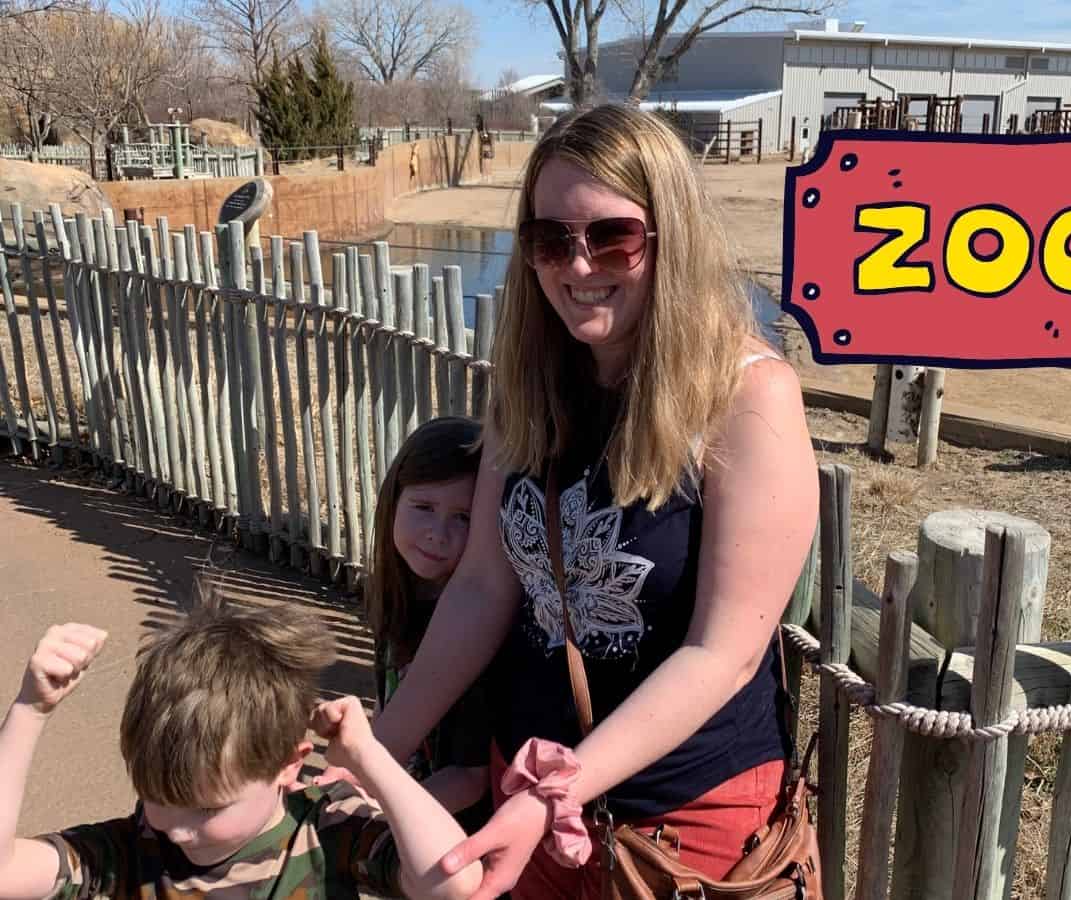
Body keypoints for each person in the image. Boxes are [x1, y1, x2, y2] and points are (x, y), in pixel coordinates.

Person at [365, 103, 820, 899]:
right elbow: (483, 587)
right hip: (528, 786)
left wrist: (565, 788)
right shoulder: (530, 389)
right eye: (550, 241)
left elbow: (725, 652)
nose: (576, 268)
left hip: (681, 810)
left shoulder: (748, 395)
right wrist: (372, 756)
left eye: (612, 236)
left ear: (668, 235)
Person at [0, 604, 484, 899]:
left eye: (210, 807)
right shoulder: (129, 851)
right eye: (158, 795)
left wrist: (370, 758)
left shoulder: (325, 831)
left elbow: (454, 882)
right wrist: (29, 712)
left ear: (289, 764)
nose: (181, 829)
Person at [365, 415, 493, 832]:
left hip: (455, 836)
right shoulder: (397, 598)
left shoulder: (471, 631)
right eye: (423, 507)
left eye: (463, 518)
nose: (438, 534)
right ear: (394, 499)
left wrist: (376, 816)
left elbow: (470, 779)